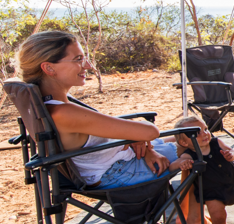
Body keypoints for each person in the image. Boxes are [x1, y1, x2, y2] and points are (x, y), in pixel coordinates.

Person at [14, 31, 196, 192]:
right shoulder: (65, 113)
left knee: (183, 135)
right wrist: (138, 135)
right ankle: (195, 218)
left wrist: (142, 143)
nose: (87, 66)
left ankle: (191, 212)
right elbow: (150, 131)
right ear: (49, 68)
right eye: (78, 59)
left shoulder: (50, 106)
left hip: (114, 160)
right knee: (202, 143)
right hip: (119, 172)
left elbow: (136, 135)